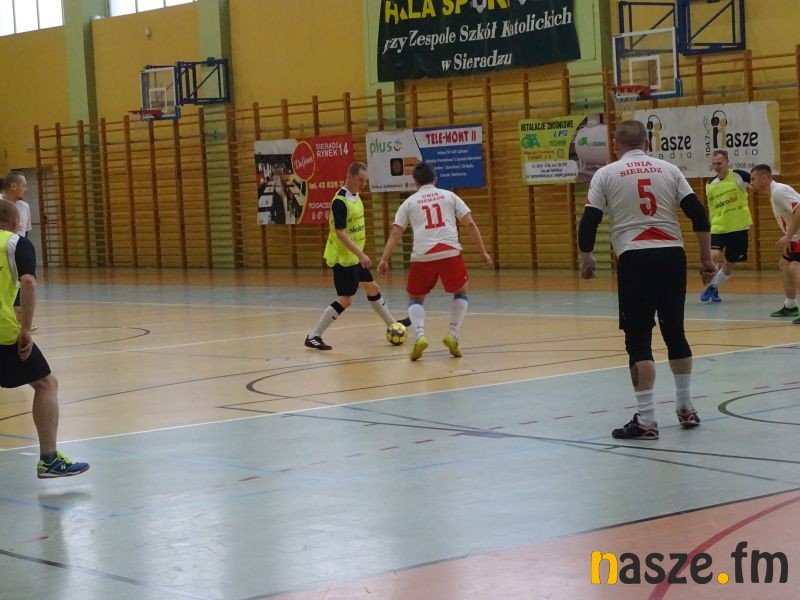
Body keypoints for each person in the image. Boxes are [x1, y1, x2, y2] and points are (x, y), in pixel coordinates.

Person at [578, 120, 716, 440]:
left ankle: (647, 420)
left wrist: (587, 257)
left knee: (638, 338)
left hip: (635, 258)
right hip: (672, 256)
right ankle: (686, 407)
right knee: (675, 332)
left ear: (615, 144)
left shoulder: (606, 174)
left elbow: (589, 221)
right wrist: (706, 258)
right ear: (648, 142)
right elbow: (698, 214)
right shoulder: (669, 170)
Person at [0, 199, 89, 478]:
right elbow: (28, 282)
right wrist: (26, 327)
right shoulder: (16, 244)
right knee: (46, 383)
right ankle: (49, 460)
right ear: (17, 222)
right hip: (3, 332)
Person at [377, 161, 493, 361]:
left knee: (415, 298)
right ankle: (453, 334)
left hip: (423, 255)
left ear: (415, 182)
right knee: (461, 291)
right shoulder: (450, 196)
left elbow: (396, 232)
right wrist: (483, 252)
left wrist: (384, 259)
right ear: (435, 178)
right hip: (449, 252)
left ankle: (420, 335)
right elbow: (470, 224)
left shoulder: (409, 202)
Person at [305, 161, 409, 350]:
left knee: (372, 288)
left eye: (366, 181)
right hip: (344, 259)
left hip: (353, 257)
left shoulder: (355, 197)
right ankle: (314, 336)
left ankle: (392, 324)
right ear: (349, 177)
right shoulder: (340, 201)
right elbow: (340, 233)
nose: (364, 184)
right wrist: (361, 254)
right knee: (345, 299)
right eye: (360, 180)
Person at [749, 164, 800, 323]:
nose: (751, 183)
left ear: (764, 178)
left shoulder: (779, 192)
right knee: (784, 264)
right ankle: (790, 306)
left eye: (753, 179)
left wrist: (788, 236)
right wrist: (789, 237)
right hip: (796, 237)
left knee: (795, 267)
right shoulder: (774, 194)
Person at [699, 150, 753, 303]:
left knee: (730, 262)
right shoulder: (710, 184)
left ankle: (713, 287)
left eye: (719, 163)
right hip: (718, 227)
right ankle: (713, 286)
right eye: (714, 164)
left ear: (727, 162)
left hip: (738, 227)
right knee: (713, 256)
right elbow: (711, 207)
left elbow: (758, 184)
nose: (716, 167)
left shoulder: (739, 176)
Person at [2, 173, 35, 329]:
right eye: (24, 185)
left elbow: (24, 232)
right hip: (2, 250)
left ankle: (21, 319)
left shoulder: (25, 207)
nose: (26, 189)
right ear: (14, 186)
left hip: (16, 249)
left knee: (20, 285)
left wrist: (24, 253)